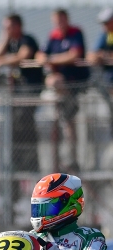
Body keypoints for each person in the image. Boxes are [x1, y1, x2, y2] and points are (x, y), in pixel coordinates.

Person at [35, 9, 90, 171]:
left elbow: (74, 54)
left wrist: (52, 60)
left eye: (61, 20)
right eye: (56, 20)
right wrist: (45, 59)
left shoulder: (75, 33)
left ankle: (73, 159)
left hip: (74, 88)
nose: (59, 23)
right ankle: (60, 161)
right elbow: (40, 55)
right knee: (61, 127)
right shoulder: (53, 36)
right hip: (59, 95)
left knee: (70, 125)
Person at [0, 13, 43, 171]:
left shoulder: (27, 40)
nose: (6, 30)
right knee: (14, 124)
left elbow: (23, 56)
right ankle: (17, 163)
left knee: (25, 122)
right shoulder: (10, 43)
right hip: (16, 92)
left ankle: (31, 164)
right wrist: (4, 40)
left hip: (29, 90)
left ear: (18, 26)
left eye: (9, 27)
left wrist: (2, 62)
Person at [87, 7, 113, 85]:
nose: (104, 25)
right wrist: (106, 55)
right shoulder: (105, 34)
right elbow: (92, 55)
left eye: (106, 22)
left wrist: (103, 55)